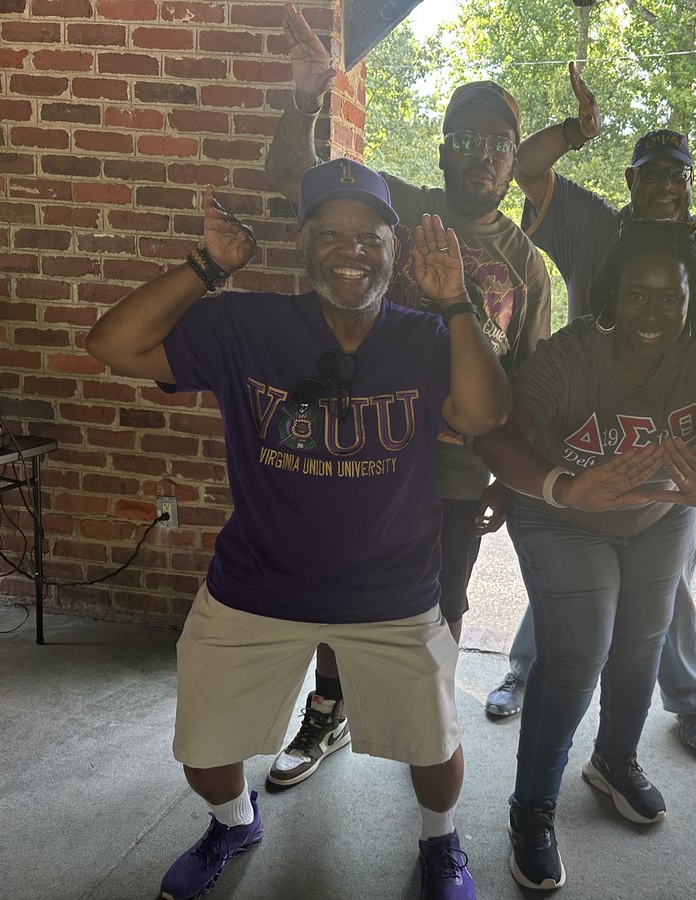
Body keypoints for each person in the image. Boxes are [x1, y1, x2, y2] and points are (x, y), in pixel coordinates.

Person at [85, 161, 510, 900]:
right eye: (330, 233)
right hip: (257, 581)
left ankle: (440, 844)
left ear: (395, 246)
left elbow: (482, 417)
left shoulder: (425, 337)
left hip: (392, 587)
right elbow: (113, 347)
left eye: (367, 236)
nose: (350, 250)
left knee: (434, 746)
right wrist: (206, 266)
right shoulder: (244, 326)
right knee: (204, 751)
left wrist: (456, 303)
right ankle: (232, 821)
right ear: (303, 244)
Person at [484, 62, 696, 757]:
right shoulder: (593, 226)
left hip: (675, 442)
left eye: (678, 174)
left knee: (662, 594)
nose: (665, 184)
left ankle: (688, 700)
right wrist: (576, 131)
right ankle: (524, 672)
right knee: (569, 582)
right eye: (651, 173)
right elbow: (528, 169)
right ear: (631, 182)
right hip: (576, 430)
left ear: (691, 185)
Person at [261, 3, 550, 789]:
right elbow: (291, 177)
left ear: (513, 157)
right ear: (445, 145)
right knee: (334, 584)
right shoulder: (398, 208)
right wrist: (304, 97)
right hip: (361, 445)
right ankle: (330, 710)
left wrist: (502, 472)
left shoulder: (528, 265)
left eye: (498, 143)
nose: (482, 155)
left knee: (437, 607)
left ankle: (428, 730)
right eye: (467, 137)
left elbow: (524, 382)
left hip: (454, 465)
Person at [474, 221, 696, 890]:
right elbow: (502, 440)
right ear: (611, 296)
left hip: (657, 516)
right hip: (563, 513)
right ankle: (531, 808)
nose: (653, 313)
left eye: (669, 297)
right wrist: (563, 485)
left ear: (691, 301)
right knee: (578, 653)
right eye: (637, 295)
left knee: (642, 646)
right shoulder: (570, 356)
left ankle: (613, 761)